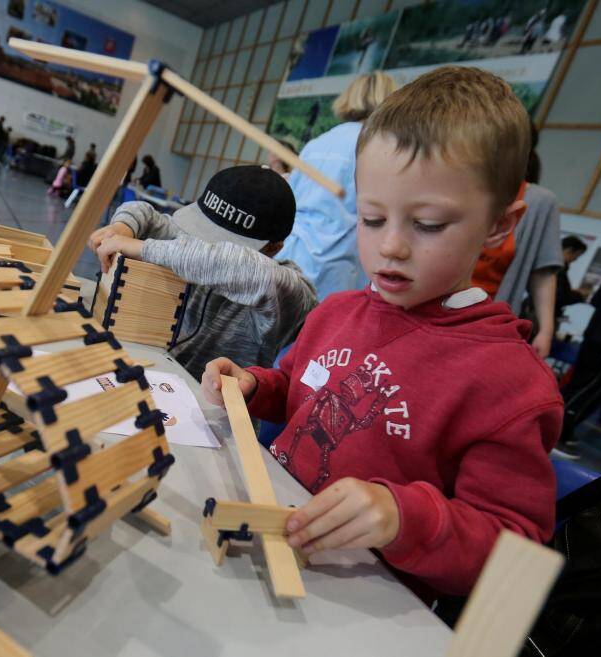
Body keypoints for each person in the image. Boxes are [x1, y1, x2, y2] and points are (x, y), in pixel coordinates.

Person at [201, 67, 561, 600]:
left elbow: (516, 551)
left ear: (499, 226)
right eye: (371, 219)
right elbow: (299, 390)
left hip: (364, 601)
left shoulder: (509, 384)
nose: (390, 246)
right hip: (271, 549)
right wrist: (255, 386)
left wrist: (404, 517)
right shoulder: (338, 311)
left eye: (429, 224)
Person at [88, 165, 317, 380]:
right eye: (205, 231)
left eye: (223, 241)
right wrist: (122, 227)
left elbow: (256, 273)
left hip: (211, 412)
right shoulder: (191, 242)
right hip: (147, 373)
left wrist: (144, 248)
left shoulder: (290, 292)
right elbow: (144, 212)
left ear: (274, 247)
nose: (200, 243)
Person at [277, 71, 397, 301]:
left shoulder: (318, 142)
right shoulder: (379, 148)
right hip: (338, 267)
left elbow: (291, 199)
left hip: (293, 255)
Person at [473, 120, 562, 358]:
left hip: (484, 328)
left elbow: (544, 271)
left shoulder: (539, 202)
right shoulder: (464, 186)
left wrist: (546, 329)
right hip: (431, 312)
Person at [553, 266, 601, 459]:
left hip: (593, 336)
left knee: (578, 385)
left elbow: (598, 299)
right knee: (587, 391)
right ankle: (555, 434)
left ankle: (560, 429)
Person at [554, 236, 589, 321]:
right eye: (576, 256)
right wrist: (579, 295)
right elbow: (559, 297)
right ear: (569, 251)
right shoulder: (558, 270)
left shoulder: (553, 267)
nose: (575, 260)